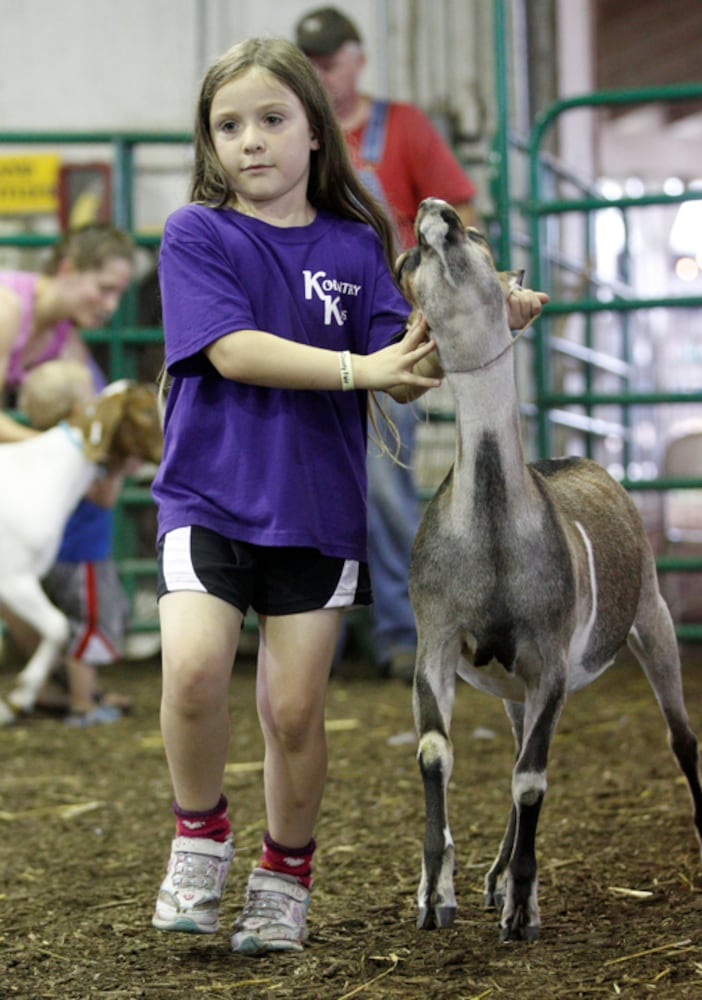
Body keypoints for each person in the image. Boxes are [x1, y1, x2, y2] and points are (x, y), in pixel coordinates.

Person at [149, 36, 546, 957]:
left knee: (293, 712)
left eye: (272, 120)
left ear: (317, 134)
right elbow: (232, 350)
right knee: (194, 673)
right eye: (228, 126)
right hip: (205, 499)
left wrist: (485, 310)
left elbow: (404, 371)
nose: (251, 141)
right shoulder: (196, 235)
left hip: (317, 513)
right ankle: (200, 834)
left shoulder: (355, 245)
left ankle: (285, 874)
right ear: (210, 145)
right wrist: (355, 367)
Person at [296, 6, 478, 679]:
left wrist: (447, 297)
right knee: (305, 479)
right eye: (310, 62)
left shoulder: (402, 128)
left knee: (382, 486)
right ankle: (314, 635)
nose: (322, 72)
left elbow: (459, 211)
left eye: (330, 60)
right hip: (309, 333)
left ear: (358, 58)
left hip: (387, 329)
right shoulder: (296, 129)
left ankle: (406, 632)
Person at [0, 223, 137, 724]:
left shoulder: (65, 338)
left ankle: (60, 688)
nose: (110, 305)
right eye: (104, 288)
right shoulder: (8, 308)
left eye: (119, 293)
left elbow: (92, 419)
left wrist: (102, 467)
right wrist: (58, 453)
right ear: (67, 270)